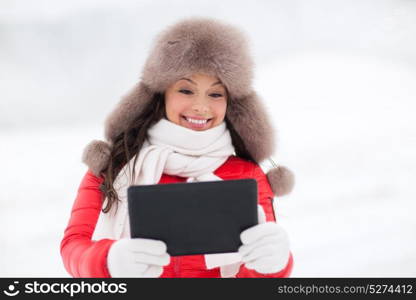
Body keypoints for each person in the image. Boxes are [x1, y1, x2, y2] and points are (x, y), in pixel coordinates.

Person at [60, 17, 295, 278]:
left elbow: (258, 277)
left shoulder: (248, 174)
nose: (201, 107)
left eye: (216, 94)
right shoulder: (114, 165)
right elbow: (74, 246)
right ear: (161, 94)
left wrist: (276, 264)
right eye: (186, 90)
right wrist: (108, 261)